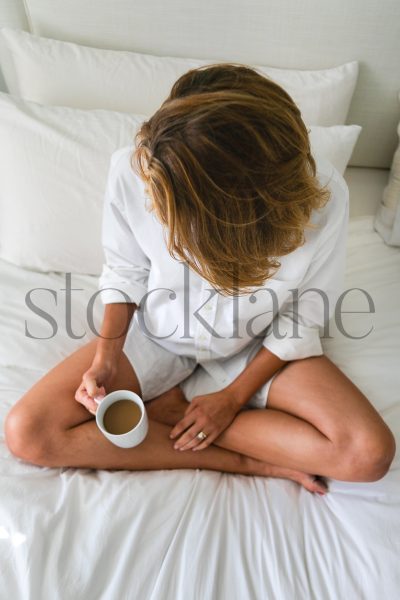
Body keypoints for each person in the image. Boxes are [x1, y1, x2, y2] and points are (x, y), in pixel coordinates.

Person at [5, 64, 395, 495]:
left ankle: (174, 410)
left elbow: (306, 313)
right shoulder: (139, 169)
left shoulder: (324, 196)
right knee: (28, 432)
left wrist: (231, 399)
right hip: (158, 339)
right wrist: (107, 358)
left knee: (368, 453)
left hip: (256, 346)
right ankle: (236, 457)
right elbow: (126, 269)